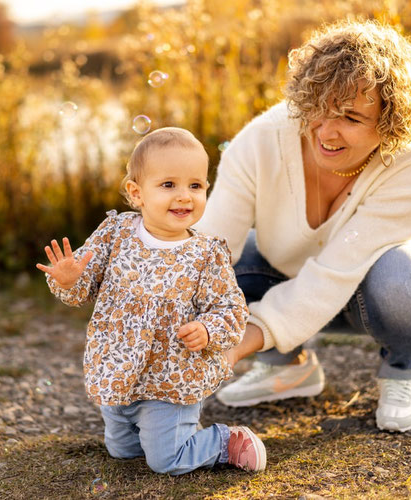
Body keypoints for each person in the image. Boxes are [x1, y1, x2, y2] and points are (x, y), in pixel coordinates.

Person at [194, 19, 411, 433]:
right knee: (221, 267)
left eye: (350, 117)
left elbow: (337, 270)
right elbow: (209, 247)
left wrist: (244, 340)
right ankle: (288, 367)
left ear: (389, 120)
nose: (327, 132)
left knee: (399, 278)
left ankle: (402, 370)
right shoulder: (261, 140)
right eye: (320, 109)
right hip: (312, 281)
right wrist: (164, 322)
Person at [36, 127, 266, 474]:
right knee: (122, 450)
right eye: (168, 185)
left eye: (195, 185)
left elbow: (232, 310)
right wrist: (70, 280)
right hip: (120, 367)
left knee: (166, 460)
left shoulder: (206, 254)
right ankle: (153, 433)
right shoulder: (116, 234)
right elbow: (81, 288)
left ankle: (224, 442)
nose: (184, 196)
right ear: (136, 192)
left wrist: (207, 328)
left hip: (171, 378)